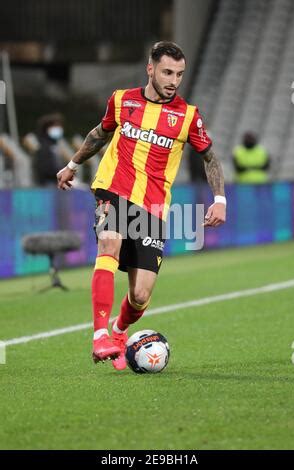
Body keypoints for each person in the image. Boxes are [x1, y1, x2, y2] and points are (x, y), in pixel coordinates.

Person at [56, 41, 226, 371]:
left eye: (179, 74)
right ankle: (100, 335)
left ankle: (119, 332)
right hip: (113, 189)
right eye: (167, 72)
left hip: (153, 207)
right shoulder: (122, 101)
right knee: (109, 244)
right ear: (150, 69)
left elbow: (210, 158)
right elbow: (98, 134)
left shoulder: (188, 116)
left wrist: (219, 200)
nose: (173, 80)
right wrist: (73, 166)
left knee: (140, 295)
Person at [34, 113, 65, 185]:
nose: (59, 128)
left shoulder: (55, 145)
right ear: (47, 128)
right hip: (48, 183)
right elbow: (44, 168)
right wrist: (62, 172)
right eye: (56, 126)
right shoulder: (43, 146)